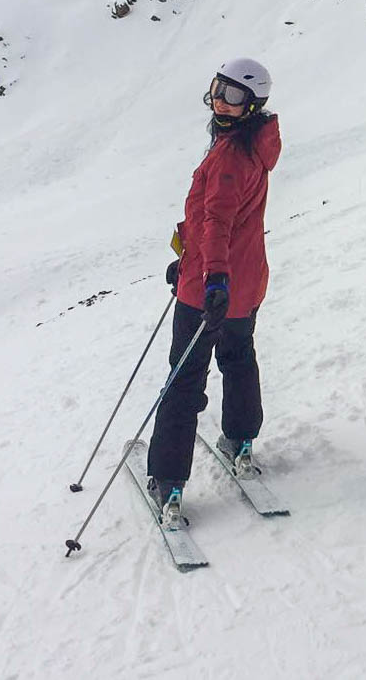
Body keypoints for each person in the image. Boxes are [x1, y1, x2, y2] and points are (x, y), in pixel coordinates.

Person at [146, 57, 281, 525]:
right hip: (246, 284)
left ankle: (168, 481)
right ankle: (241, 439)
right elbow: (220, 220)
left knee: (184, 378)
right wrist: (188, 258)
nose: (221, 101)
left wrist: (212, 278)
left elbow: (217, 221)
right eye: (218, 89)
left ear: (253, 103)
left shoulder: (227, 157)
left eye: (234, 95)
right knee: (238, 357)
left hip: (210, 289)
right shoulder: (253, 146)